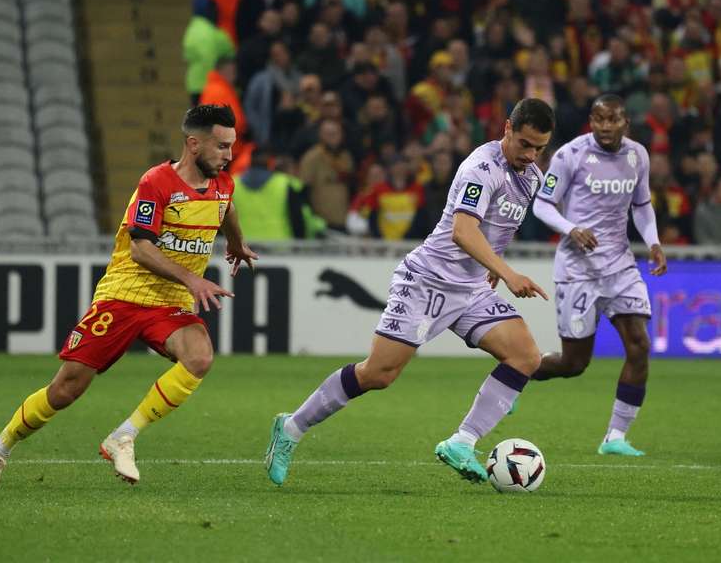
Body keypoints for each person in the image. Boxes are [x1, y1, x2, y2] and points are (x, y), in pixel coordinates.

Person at [265, 98, 555, 486]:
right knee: (379, 374)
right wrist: (506, 271)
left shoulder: (531, 176)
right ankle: (291, 428)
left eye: (539, 147)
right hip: (427, 280)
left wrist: (492, 268)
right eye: (524, 144)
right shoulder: (480, 169)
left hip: (470, 288)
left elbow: (500, 225)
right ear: (506, 129)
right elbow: (463, 231)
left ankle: (462, 442)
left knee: (525, 356)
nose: (531, 155)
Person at [0, 105, 259, 489]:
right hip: (124, 293)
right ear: (193, 144)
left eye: (231, 147)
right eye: (221, 147)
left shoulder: (222, 183)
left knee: (200, 356)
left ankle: (124, 435)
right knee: (66, 388)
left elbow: (226, 208)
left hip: (169, 301)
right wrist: (193, 280)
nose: (228, 155)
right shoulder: (157, 182)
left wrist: (237, 242)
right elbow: (140, 248)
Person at [531, 94, 667, 457]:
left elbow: (641, 206)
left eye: (613, 119)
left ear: (626, 121)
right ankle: (521, 370)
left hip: (620, 266)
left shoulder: (638, 155)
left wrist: (652, 242)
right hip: (578, 271)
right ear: (591, 120)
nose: (605, 126)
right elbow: (542, 204)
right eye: (599, 119)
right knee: (573, 364)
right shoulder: (570, 155)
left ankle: (615, 437)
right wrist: (572, 228)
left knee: (639, 345)